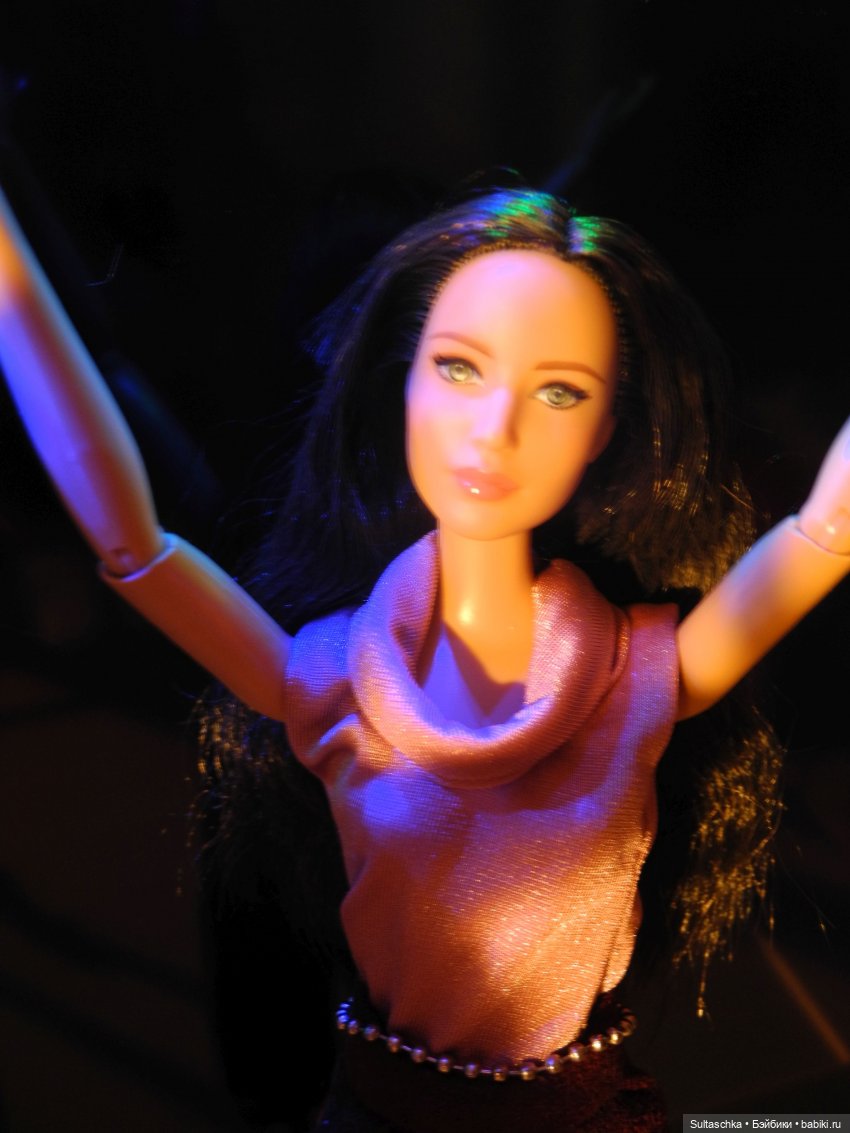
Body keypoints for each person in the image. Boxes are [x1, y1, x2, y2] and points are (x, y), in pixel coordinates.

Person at [1, 182, 849, 1132]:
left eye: (560, 391)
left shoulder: (636, 675)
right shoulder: (330, 682)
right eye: (458, 368)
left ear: (605, 432)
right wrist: (10, 277)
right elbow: (135, 545)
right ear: (402, 382)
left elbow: (827, 528)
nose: (495, 430)